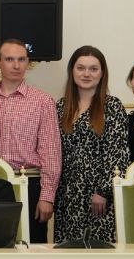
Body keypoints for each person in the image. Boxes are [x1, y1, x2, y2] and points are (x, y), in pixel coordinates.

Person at [54, 46, 128, 245]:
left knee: (100, 254)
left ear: (102, 73)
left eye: (93, 69)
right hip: (67, 194)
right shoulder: (60, 106)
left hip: (100, 197)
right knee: (68, 252)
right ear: (72, 71)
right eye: (81, 68)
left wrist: (103, 192)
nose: (86, 74)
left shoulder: (112, 106)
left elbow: (118, 154)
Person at [0, 38, 61, 243]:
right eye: (9, 59)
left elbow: (51, 152)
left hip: (30, 182)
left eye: (21, 59)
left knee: (33, 247)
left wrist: (47, 196)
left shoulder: (43, 101)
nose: (16, 65)